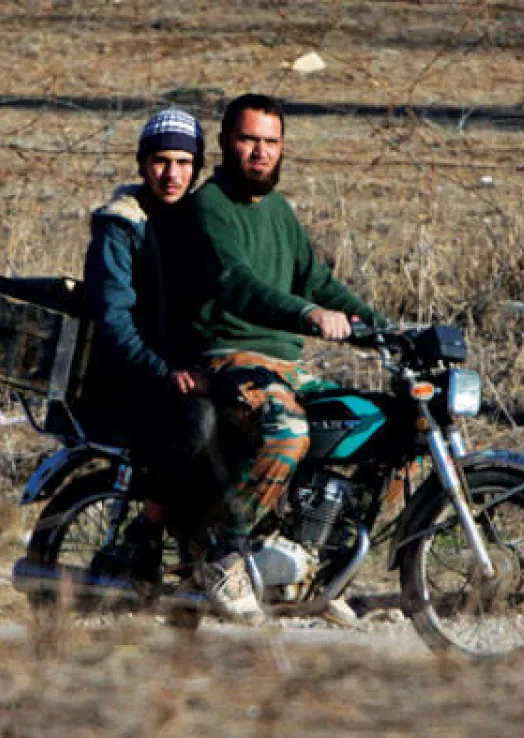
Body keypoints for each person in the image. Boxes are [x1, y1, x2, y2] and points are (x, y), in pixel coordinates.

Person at [166, 93, 389, 620]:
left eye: (271, 142)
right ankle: (225, 554)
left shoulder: (281, 213)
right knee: (286, 430)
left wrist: (384, 329)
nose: (260, 153)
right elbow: (236, 283)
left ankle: (315, 564)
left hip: (290, 366)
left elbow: (320, 283)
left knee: (390, 425)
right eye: (249, 140)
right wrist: (308, 315)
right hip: (231, 359)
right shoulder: (209, 208)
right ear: (225, 143)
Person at [80, 107, 223, 590]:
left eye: (184, 162)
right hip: (131, 376)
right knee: (198, 420)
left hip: (185, 366)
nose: (172, 174)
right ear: (143, 163)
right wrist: (165, 370)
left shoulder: (198, 219)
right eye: (161, 161)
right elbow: (114, 318)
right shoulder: (121, 224)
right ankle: (149, 528)